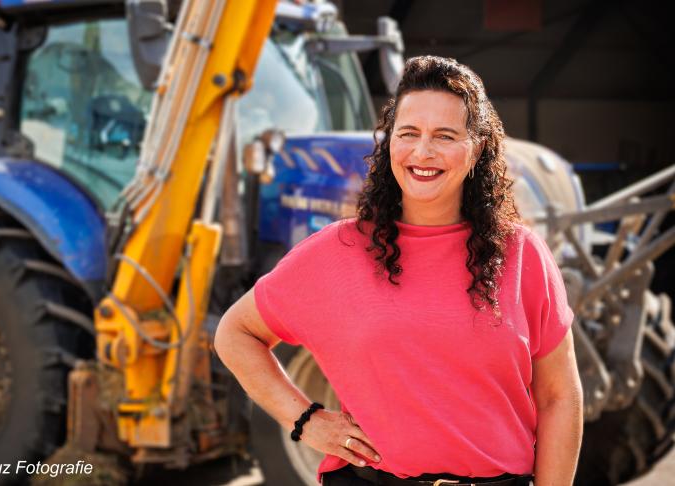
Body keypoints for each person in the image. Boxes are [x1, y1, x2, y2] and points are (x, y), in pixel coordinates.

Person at [214, 56, 584, 486]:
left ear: (477, 148)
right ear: (390, 141)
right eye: (409, 133)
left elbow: (560, 397)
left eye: (445, 136)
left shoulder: (521, 254)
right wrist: (306, 421)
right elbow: (235, 333)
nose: (422, 152)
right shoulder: (337, 250)